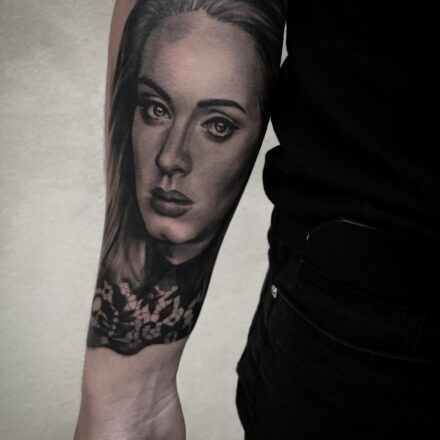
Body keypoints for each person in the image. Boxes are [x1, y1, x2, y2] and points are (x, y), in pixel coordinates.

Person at [75, 0, 440, 439]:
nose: (171, 158)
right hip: (359, 321)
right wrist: (131, 396)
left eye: (218, 125)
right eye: (156, 109)